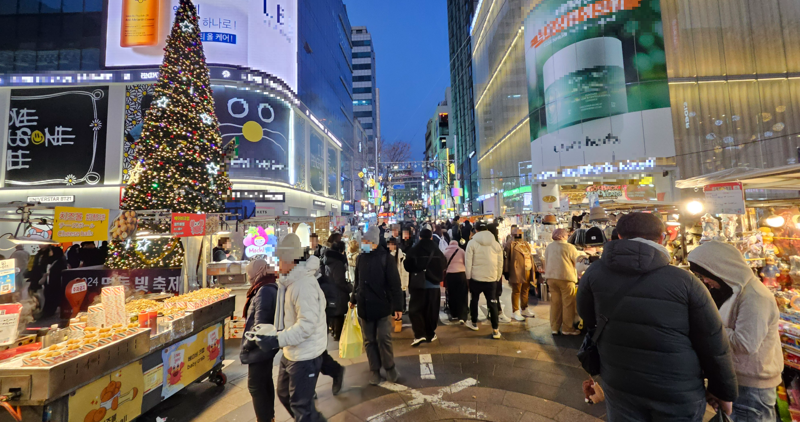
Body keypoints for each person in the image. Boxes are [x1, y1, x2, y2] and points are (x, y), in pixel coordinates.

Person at [577, 212, 737, 421]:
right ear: (662, 238)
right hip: (676, 386)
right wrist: (723, 391)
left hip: (619, 379)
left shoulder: (594, 272)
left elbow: (587, 318)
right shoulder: (684, 281)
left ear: (619, 237)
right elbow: (713, 340)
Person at [689, 241, 781, 421]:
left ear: (720, 269)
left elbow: (745, 344)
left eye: (706, 275)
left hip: (752, 387)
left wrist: (707, 326)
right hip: (738, 380)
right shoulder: (735, 292)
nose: (705, 281)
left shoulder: (755, 296)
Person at [253, 234, 329, 422]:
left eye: (280, 260)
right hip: (292, 351)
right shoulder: (290, 282)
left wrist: (277, 339)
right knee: (286, 395)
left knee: (300, 405)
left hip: (305, 354)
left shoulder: (302, 285)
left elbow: (306, 326)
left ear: (290, 259)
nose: (277, 265)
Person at [350, 226, 403, 385]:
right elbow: (357, 282)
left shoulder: (385, 258)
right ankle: (374, 370)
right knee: (369, 340)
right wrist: (353, 298)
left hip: (382, 306)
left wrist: (398, 307)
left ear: (373, 242)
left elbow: (395, 284)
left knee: (383, 338)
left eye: (366, 241)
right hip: (364, 307)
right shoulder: (360, 258)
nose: (363, 244)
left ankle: (390, 367)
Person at [241, 259, 279, 422]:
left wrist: (247, 345)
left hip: (258, 346)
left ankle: (265, 419)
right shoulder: (268, 286)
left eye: (250, 272)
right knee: (264, 382)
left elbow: (260, 325)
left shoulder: (263, 290)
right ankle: (269, 417)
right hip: (265, 345)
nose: (249, 275)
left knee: (256, 386)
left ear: (258, 271)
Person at [404, 228, 446, 346]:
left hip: (418, 284)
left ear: (420, 237)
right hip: (434, 286)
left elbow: (407, 265)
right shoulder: (437, 250)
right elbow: (444, 264)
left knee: (416, 309)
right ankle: (430, 333)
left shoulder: (414, 249)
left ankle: (419, 334)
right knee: (431, 310)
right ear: (431, 237)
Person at [464, 221, 504, 339]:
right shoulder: (495, 243)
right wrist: (497, 276)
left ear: (475, 230)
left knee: (474, 300)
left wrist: (468, 277)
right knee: (493, 303)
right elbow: (500, 262)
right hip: (491, 278)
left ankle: (474, 323)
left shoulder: (472, 243)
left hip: (476, 278)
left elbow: (468, 262)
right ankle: (495, 329)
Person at [543, 229, 583, 335]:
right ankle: (567, 328)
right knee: (568, 304)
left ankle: (554, 328)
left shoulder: (549, 247)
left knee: (555, 303)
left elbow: (545, 261)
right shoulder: (569, 247)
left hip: (551, 278)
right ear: (564, 236)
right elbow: (578, 263)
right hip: (566, 278)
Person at [321, 241, 352, 341]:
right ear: (341, 250)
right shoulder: (338, 263)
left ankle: (333, 331)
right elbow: (339, 281)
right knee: (339, 313)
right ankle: (338, 335)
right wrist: (349, 287)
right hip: (338, 292)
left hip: (329, 290)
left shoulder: (327, 260)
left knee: (333, 312)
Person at [506, 229, 535, 321]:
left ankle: (524, 308)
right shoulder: (510, 245)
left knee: (525, 289)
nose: (518, 236)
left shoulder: (526, 244)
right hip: (517, 270)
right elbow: (506, 259)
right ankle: (515, 311)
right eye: (516, 235)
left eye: (520, 234)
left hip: (528, 269)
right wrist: (506, 271)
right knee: (516, 290)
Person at [444, 240, 467, 324]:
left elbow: (443, 264)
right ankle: (462, 315)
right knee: (462, 295)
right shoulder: (461, 251)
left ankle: (454, 313)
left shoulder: (445, 251)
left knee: (452, 294)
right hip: (461, 274)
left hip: (450, 275)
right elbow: (466, 262)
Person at [42, 246, 67, 319]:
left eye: (51, 251)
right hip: (51, 282)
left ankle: (50, 312)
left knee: (53, 297)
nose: (50, 253)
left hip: (55, 283)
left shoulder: (60, 261)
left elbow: (59, 272)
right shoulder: (54, 260)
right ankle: (48, 311)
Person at [387, 238, 409, 312]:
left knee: (400, 296)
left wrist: (404, 284)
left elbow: (404, 272)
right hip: (390, 282)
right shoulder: (387, 256)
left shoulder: (401, 256)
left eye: (392, 244)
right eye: (389, 244)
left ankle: (402, 308)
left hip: (399, 280)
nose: (390, 246)